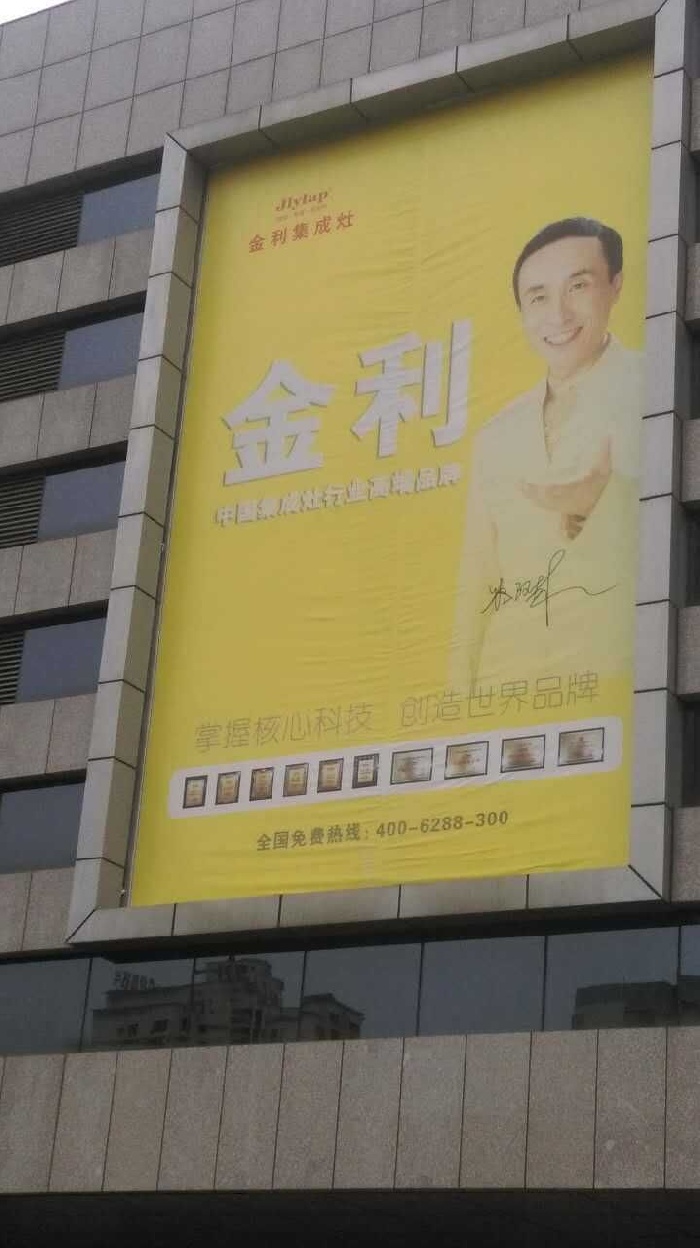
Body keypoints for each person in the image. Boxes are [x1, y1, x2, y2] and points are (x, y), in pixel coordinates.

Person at [451, 217, 643, 692]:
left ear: (616, 286)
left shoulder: (657, 387)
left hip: (614, 685)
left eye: (578, 286)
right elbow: (477, 580)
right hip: (507, 687)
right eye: (538, 297)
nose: (558, 315)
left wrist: (612, 497)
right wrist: (457, 700)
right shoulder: (496, 435)